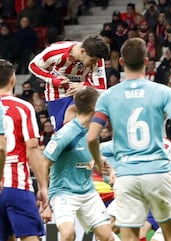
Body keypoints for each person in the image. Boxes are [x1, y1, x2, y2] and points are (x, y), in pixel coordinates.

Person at [87, 37, 171, 241]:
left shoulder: (108, 96)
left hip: (126, 176)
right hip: (158, 172)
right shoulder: (163, 92)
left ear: (120, 62)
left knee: (129, 237)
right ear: (147, 62)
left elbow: (92, 137)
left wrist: (100, 162)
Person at [43, 87, 116, 241]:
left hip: (88, 192)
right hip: (64, 193)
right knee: (68, 233)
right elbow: (43, 164)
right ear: (95, 108)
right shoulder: (66, 134)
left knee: (107, 236)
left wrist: (102, 164)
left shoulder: (92, 130)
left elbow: (88, 153)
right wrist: (44, 200)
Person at [0, 59, 50, 241]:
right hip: (17, 185)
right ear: (13, 79)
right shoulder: (22, 107)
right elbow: (33, 149)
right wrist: (43, 187)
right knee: (30, 237)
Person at [28, 33, 109, 131]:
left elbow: (101, 87)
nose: (94, 64)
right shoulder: (55, 51)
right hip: (57, 95)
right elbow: (33, 65)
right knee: (61, 132)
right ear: (83, 52)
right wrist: (52, 79)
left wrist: (83, 87)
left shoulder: (97, 59)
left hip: (82, 95)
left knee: (77, 126)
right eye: (92, 61)